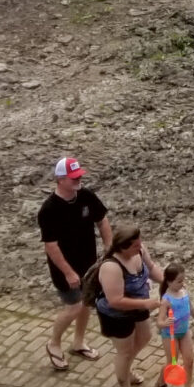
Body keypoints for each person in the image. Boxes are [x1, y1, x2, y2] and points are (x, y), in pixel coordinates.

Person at [39, 155, 111, 371]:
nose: (79, 180)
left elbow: (102, 220)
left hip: (89, 264)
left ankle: (79, 342)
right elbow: (51, 246)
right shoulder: (49, 210)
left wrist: (109, 247)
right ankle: (54, 343)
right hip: (65, 269)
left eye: (79, 176)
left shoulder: (86, 196)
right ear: (60, 179)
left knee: (86, 303)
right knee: (74, 307)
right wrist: (68, 272)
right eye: (74, 177)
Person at [86, 221, 163, 387]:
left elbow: (151, 268)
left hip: (139, 305)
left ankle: (126, 367)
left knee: (144, 336)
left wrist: (167, 283)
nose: (140, 247)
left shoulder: (139, 251)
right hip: (116, 314)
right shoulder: (111, 267)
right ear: (123, 247)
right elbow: (116, 300)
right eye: (135, 245)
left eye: (140, 243)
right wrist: (146, 303)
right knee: (125, 351)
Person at [154, 262, 194, 387]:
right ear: (169, 282)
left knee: (189, 360)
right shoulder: (166, 300)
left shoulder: (184, 291)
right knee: (172, 362)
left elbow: (190, 306)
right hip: (170, 335)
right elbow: (159, 322)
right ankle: (161, 382)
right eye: (179, 281)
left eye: (183, 280)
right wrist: (165, 323)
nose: (182, 283)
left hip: (184, 331)